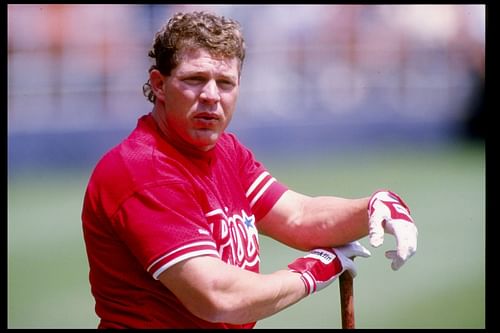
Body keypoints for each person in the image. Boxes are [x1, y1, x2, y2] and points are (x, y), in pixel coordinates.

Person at [81, 11, 418, 329]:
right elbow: (216, 296)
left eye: (225, 83)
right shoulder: (145, 170)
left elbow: (299, 216)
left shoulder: (225, 151)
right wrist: (313, 271)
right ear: (158, 85)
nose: (211, 96)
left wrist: (376, 206)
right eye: (195, 79)